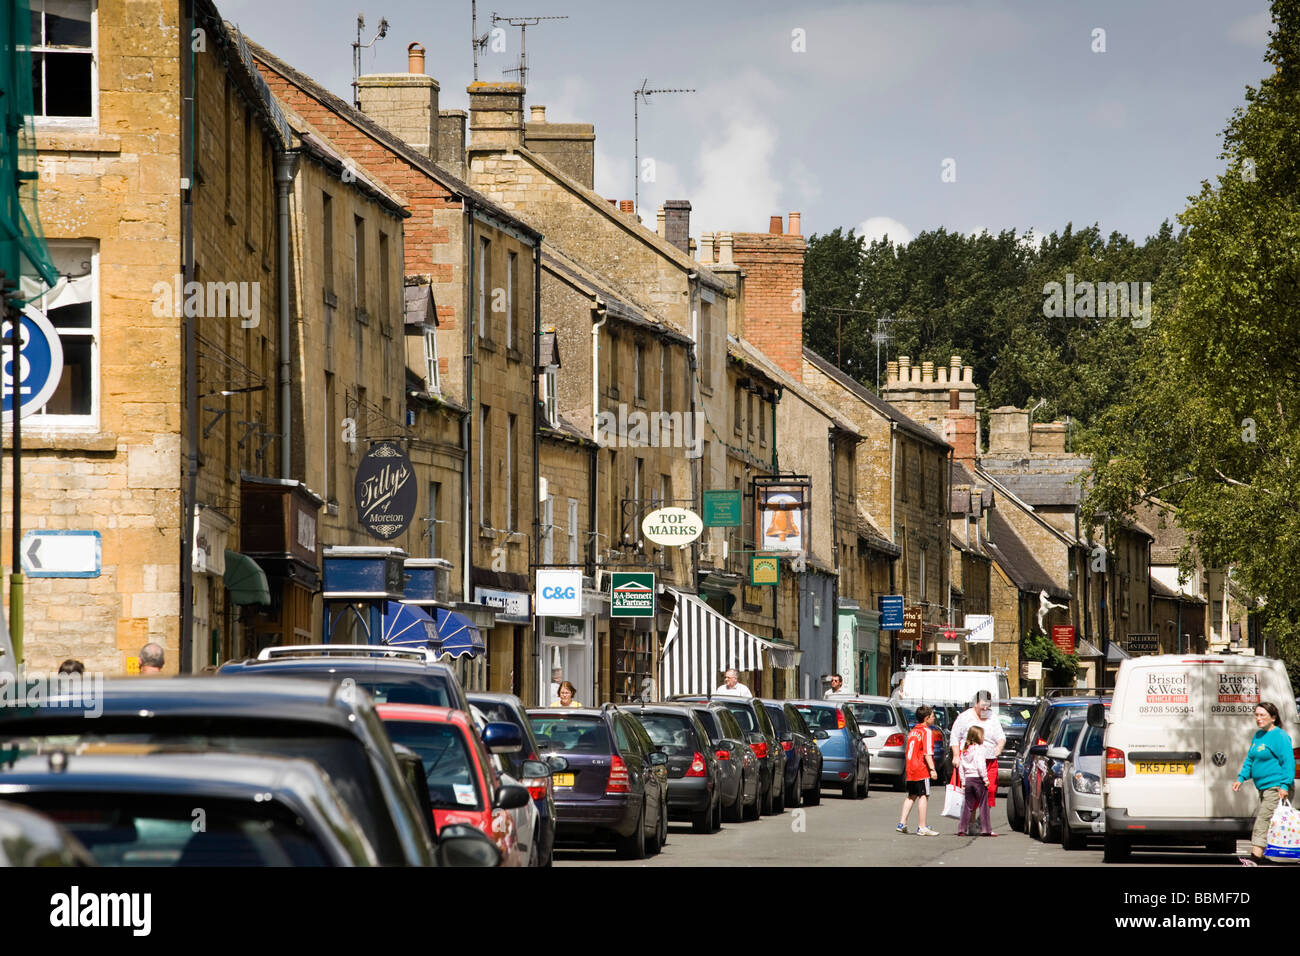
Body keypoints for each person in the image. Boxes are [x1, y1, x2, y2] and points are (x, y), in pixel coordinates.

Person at [1233, 701, 1295, 865]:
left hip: (1276, 787)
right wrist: (1241, 778)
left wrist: (1285, 785)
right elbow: (1250, 759)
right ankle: (1273, 853)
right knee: (1272, 823)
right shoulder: (1258, 736)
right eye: (1256, 715)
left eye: (1262, 715)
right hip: (1263, 787)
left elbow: (1288, 762)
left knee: (1263, 820)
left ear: (1273, 717)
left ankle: (1255, 858)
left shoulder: (1280, 736)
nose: (1258, 718)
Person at [950, 690, 1005, 811]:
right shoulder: (965, 717)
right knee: (973, 793)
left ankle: (983, 822)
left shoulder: (992, 717)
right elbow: (954, 736)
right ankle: (971, 822)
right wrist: (956, 756)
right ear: (975, 703)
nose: (985, 708)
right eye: (982, 705)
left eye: (988, 705)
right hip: (971, 761)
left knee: (990, 790)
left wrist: (999, 747)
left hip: (989, 760)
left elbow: (1000, 736)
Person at [898, 704, 939, 835]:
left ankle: (902, 822)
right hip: (921, 767)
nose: (934, 718)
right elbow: (927, 753)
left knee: (911, 795)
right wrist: (932, 769)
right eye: (933, 716)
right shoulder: (926, 731)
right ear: (926, 718)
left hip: (910, 767)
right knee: (923, 795)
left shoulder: (913, 731)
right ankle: (922, 826)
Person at [957, 726, 995, 836]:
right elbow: (980, 765)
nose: (983, 738)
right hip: (978, 779)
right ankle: (986, 829)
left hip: (968, 779)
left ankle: (962, 828)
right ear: (977, 737)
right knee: (983, 805)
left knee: (968, 806)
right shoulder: (979, 749)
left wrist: (963, 781)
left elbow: (961, 767)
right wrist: (985, 779)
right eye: (982, 736)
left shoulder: (965, 750)